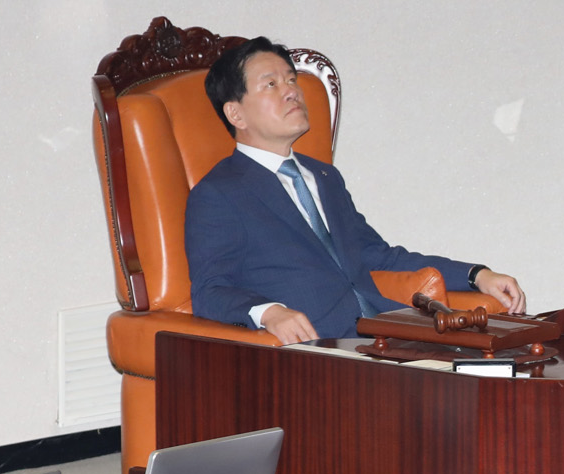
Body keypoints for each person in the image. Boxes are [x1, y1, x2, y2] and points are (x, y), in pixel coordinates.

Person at [185, 37, 526, 344]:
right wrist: (269, 312)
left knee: (507, 366)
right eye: (271, 84)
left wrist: (475, 274)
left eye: (292, 79)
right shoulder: (220, 193)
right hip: (318, 347)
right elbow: (209, 290)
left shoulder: (324, 176)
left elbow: (378, 254)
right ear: (236, 113)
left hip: (382, 333)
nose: (292, 91)